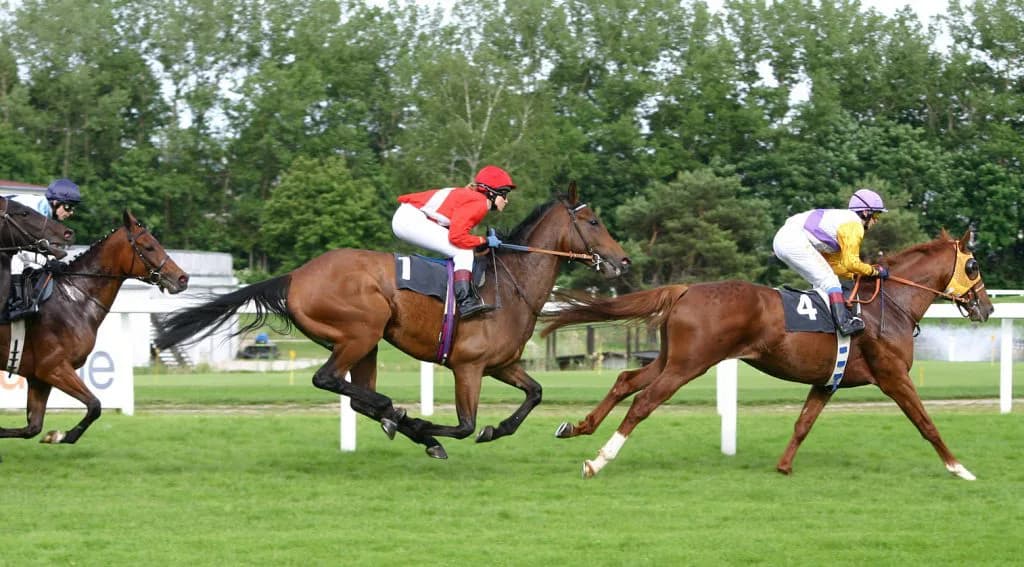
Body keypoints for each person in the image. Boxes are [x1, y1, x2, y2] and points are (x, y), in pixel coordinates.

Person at [392, 165, 514, 319]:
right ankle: (465, 302)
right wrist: (484, 240)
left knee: (463, 250)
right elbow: (456, 237)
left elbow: (454, 231)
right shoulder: (480, 203)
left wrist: (480, 242)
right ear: (492, 192)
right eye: (504, 195)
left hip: (408, 216)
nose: (506, 200)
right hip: (409, 220)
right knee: (463, 252)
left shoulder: (474, 198)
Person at [772, 188, 889, 336]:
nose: (877, 220)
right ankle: (844, 325)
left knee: (823, 281)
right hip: (793, 240)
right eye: (876, 214)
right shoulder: (854, 225)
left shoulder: (840, 223)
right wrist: (875, 271)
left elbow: (836, 267)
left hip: (784, 239)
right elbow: (851, 263)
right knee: (831, 283)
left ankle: (820, 325)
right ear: (865, 212)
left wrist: (854, 275)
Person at [6, 178, 81, 319]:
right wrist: (47, 261)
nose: (70, 212)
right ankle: (16, 304)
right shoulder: (36, 210)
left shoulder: (45, 212)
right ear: (55, 202)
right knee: (21, 259)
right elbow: (21, 249)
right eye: (68, 207)